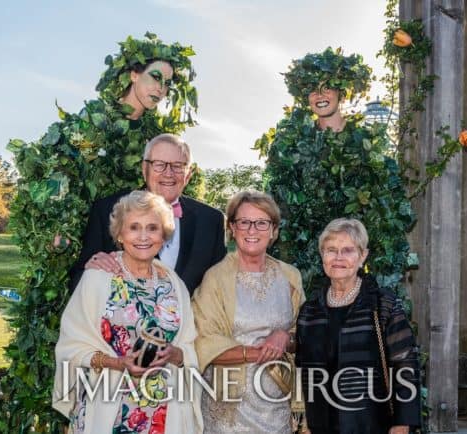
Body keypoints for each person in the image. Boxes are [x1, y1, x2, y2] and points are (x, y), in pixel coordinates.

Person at [255, 47, 414, 295]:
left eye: (327, 87)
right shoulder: (290, 146)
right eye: (312, 89)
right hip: (304, 274)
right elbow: (277, 211)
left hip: (352, 274)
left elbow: (386, 217)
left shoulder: (365, 145)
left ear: (341, 91)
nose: (320, 95)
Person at [53, 190, 202, 434]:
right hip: (107, 407)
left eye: (152, 228)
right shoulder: (98, 277)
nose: (143, 236)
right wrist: (117, 363)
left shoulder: (174, 283)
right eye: (134, 227)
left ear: (163, 235)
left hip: (164, 414)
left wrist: (176, 354)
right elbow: (72, 346)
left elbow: (188, 348)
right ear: (120, 234)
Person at [192, 191, 305, 434]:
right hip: (230, 411)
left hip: (277, 404)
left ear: (273, 230)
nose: (252, 230)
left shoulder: (290, 277)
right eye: (244, 222)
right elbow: (203, 342)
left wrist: (285, 337)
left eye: (262, 222)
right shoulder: (215, 278)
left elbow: (305, 334)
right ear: (232, 228)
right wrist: (262, 352)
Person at [295, 218, 420, 434]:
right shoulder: (310, 310)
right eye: (331, 250)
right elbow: (303, 369)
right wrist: (305, 421)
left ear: (362, 256)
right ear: (322, 256)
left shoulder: (383, 305)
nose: (339, 257)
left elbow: (405, 365)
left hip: (372, 424)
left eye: (348, 250)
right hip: (321, 425)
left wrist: (402, 424)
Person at [70, 133, 226, 295]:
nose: (168, 173)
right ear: (145, 169)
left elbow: (220, 291)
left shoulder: (211, 220)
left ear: (188, 174)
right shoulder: (107, 209)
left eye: (178, 165)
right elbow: (77, 282)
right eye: (159, 164)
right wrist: (92, 269)